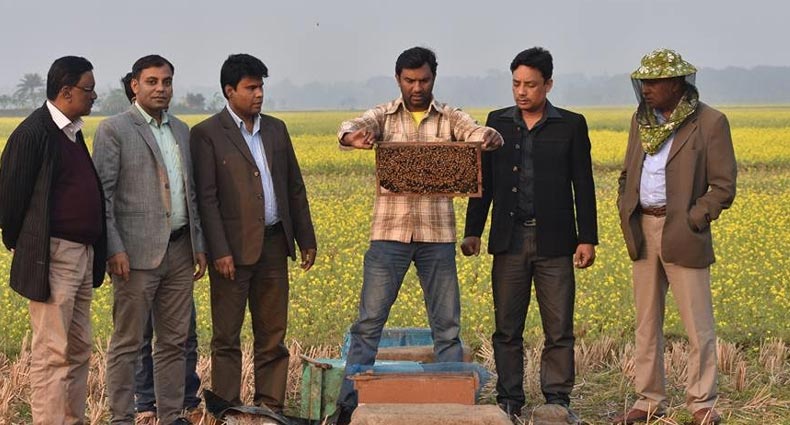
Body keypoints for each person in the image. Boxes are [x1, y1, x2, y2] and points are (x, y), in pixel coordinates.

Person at [333, 46, 503, 423]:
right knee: (368, 324)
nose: (417, 87)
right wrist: (353, 137)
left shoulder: (449, 117)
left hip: (436, 237)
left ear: (433, 78)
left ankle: (454, 408)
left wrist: (488, 137)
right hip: (389, 235)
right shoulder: (384, 115)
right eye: (409, 80)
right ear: (398, 79)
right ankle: (348, 406)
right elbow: (351, 126)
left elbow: (476, 131)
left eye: (423, 80)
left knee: (447, 328)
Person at [461, 47, 597, 424]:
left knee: (559, 327)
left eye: (531, 85)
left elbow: (583, 184)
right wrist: (473, 231)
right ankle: (509, 400)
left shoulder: (571, 125)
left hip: (556, 241)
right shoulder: (497, 123)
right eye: (516, 84)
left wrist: (587, 237)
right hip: (510, 239)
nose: (522, 92)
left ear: (548, 85)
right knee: (507, 328)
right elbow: (483, 183)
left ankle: (557, 400)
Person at [612, 48, 736, 425]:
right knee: (646, 321)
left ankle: (701, 403)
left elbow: (723, 186)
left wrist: (693, 219)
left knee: (698, 323)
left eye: (654, 82)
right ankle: (649, 399)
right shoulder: (641, 120)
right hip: (643, 230)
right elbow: (627, 172)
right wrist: (625, 205)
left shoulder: (710, 122)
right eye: (643, 82)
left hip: (683, 231)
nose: (646, 89)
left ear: (677, 84)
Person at [190, 53, 317, 412]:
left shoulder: (276, 129)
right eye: (250, 88)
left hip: (275, 243)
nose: (259, 94)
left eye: (261, 87)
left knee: (273, 334)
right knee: (226, 335)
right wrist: (219, 250)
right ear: (229, 91)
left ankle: (269, 406)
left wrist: (305, 238)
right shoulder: (207, 134)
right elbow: (206, 199)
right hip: (231, 251)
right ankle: (228, 408)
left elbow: (294, 187)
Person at [94, 55, 208, 425]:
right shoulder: (114, 129)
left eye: (167, 81)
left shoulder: (182, 130)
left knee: (174, 342)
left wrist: (199, 245)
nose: (161, 89)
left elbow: (190, 193)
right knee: (128, 343)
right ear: (135, 85)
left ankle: (171, 415)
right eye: (152, 81)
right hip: (135, 256)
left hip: (180, 251)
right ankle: (121, 418)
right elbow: (103, 197)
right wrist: (114, 248)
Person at [0, 56, 106, 424]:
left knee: (77, 349)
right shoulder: (33, 133)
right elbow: (9, 200)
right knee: (52, 353)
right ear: (66, 91)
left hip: (82, 255)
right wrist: (28, 245)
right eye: (88, 89)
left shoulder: (71, 132)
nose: (94, 96)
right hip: (53, 255)